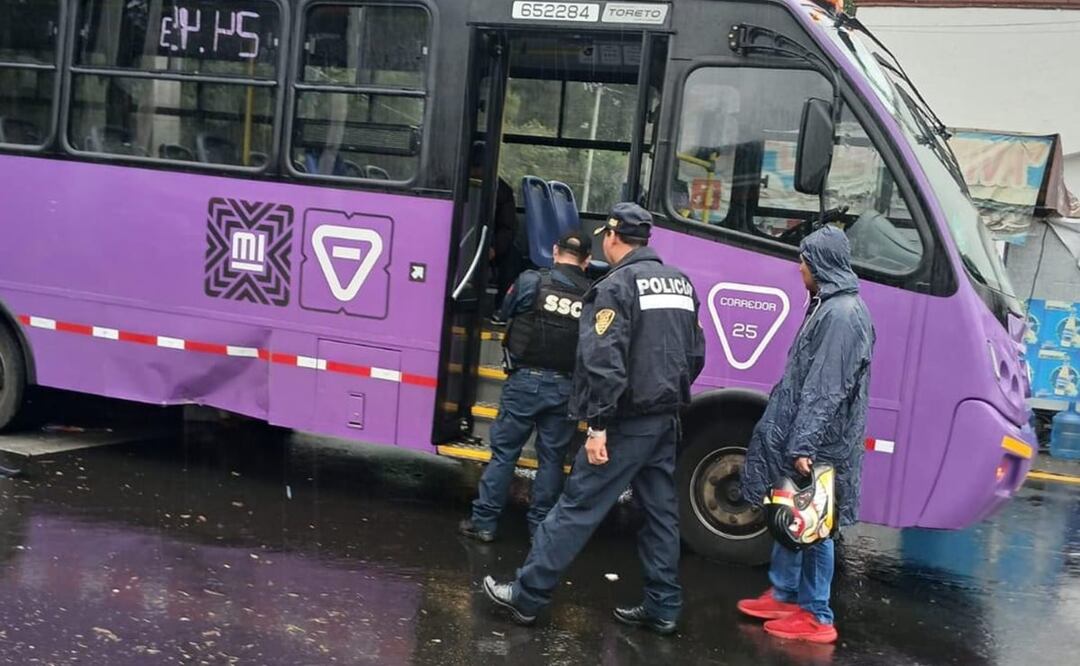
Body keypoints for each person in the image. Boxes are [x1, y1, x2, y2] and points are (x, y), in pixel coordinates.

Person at [481, 203, 706, 635]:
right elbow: (695, 355)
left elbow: (603, 362)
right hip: (666, 418)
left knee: (577, 506)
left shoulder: (616, 287)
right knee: (660, 514)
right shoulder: (680, 284)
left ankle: (527, 596)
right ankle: (664, 606)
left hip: (625, 422)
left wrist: (598, 426)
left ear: (613, 237)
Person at [736, 225, 876, 645]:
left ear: (821, 265)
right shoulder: (828, 306)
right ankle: (785, 594)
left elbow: (826, 388)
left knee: (817, 527)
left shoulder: (842, 315)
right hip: (811, 439)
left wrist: (803, 446)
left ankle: (817, 615)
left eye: (804, 260)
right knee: (793, 513)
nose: (799, 268)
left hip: (820, 445)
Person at [459, 230, 593, 543]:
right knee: (552, 460)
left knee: (504, 454)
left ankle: (485, 523)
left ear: (555, 250)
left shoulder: (531, 281)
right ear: (587, 261)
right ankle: (541, 530)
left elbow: (505, 313)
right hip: (565, 388)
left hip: (525, 382)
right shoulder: (593, 295)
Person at [468, 141, 527, 302]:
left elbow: (507, 227)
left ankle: (500, 307)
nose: (476, 172)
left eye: (479, 168)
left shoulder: (502, 190)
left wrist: (494, 249)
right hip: (463, 238)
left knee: (512, 259)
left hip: (490, 241)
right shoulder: (456, 184)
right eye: (474, 168)